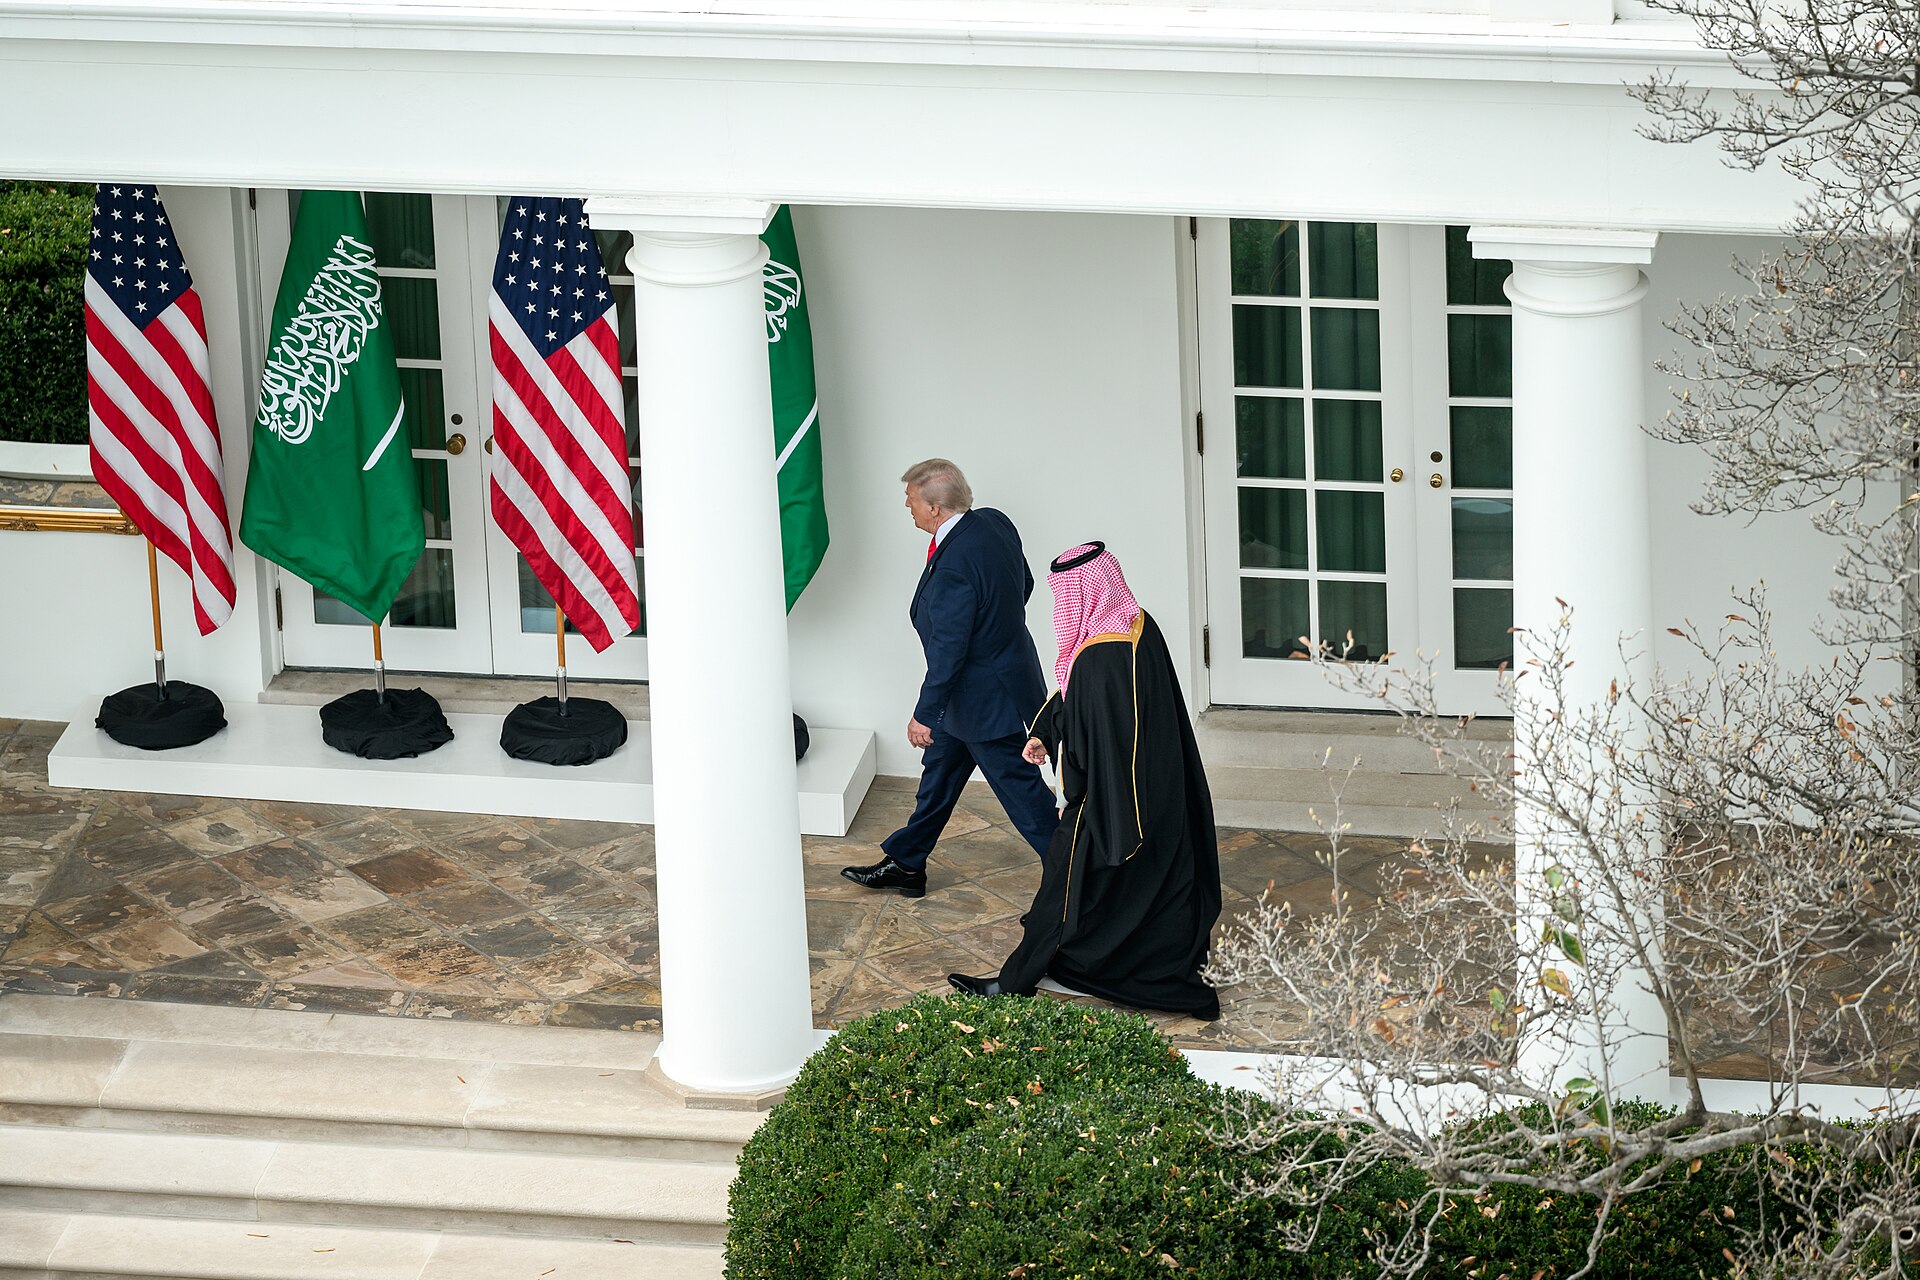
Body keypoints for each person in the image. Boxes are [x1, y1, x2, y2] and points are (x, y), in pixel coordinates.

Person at [948, 542, 1222, 1020]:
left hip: (1109, 799)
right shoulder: (1134, 623)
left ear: (1081, 593)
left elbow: (1091, 737)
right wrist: (1046, 732)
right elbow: (1082, 705)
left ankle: (1013, 984)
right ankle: (1080, 964)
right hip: (1150, 788)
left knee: (1063, 882)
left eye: (1063, 596)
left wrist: (1069, 788)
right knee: (1131, 889)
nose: (1060, 608)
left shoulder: (1100, 657)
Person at [841, 460, 1062, 898]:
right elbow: (1024, 583)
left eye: (911, 499)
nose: (907, 506)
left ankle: (1080, 880)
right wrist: (996, 632)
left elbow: (949, 651)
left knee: (1024, 795)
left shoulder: (954, 567)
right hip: (987, 687)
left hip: (983, 701)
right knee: (938, 778)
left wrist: (925, 714)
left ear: (935, 508)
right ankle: (907, 863)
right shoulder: (995, 523)